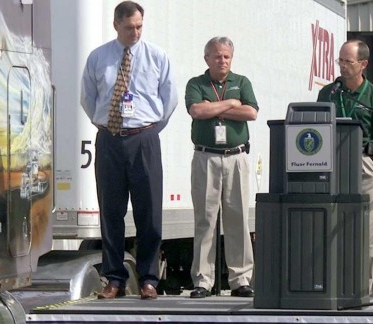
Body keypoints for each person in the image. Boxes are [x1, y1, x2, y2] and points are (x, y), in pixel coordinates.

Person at [80, 1, 178, 300]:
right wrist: (107, 127)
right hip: (109, 139)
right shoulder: (99, 57)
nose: (135, 32)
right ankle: (114, 278)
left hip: (144, 138)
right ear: (116, 26)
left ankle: (149, 279)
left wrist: (147, 131)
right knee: (111, 211)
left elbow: (169, 99)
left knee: (148, 211)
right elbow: (88, 98)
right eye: (128, 27)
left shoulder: (157, 56)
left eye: (139, 26)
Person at [184, 37, 257, 298]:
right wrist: (230, 104)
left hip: (236, 157)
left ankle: (240, 279)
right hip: (207, 158)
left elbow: (251, 113)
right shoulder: (196, 83)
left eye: (226, 56)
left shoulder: (242, 82)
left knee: (237, 218)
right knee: (205, 219)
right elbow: (197, 111)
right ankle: (203, 280)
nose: (222, 60)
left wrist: (215, 108)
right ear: (207, 59)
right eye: (216, 56)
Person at [316, 39, 373, 293]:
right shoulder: (328, 93)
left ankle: (361, 287)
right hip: (331, 162)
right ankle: (330, 283)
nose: (342, 66)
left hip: (362, 162)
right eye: (340, 60)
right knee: (329, 223)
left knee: (364, 230)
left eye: (348, 61)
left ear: (363, 64)